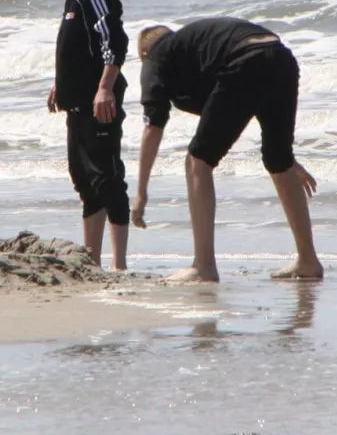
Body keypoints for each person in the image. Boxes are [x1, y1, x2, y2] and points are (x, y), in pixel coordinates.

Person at [132, 17, 323, 283]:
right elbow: (246, 103)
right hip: (280, 56)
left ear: (143, 53)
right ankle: (308, 261)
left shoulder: (156, 55)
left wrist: (140, 192)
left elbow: (153, 126)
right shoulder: (195, 50)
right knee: (278, 161)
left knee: (197, 161)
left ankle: (203, 266)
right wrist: (290, 160)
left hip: (245, 60)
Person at [37, 0, 133, 270]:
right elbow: (79, 46)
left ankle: (119, 264)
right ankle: (92, 261)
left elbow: (113, 38)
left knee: (107, 177)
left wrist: (105, 88)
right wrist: (59, 85)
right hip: (77, 102)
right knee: (84, 178)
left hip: (99, 101)